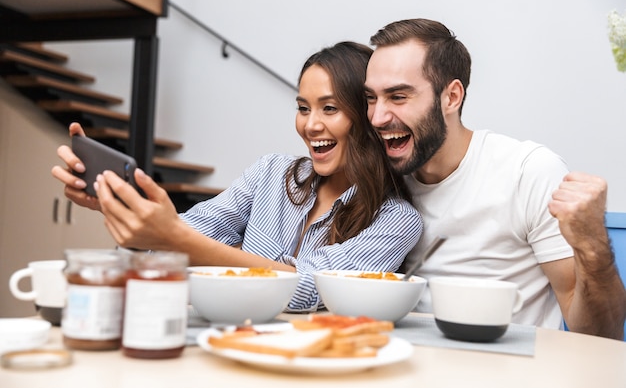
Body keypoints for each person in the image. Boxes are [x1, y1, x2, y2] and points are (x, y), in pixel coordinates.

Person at [51, 41, 423, 312]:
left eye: (329, 108)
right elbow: (188, 233)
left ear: (367, 115)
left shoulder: (396, 220)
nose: (310, 125)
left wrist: (176, 237)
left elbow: (310, 290)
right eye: (302, 108)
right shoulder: (271, 173)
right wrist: (124, 207)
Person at [364, 18, 626, 339]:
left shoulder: (527, 171)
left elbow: (602, 332)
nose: (377, 117)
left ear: (452, 97)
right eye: (371, 98)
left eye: (398, 97)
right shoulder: (381, 180)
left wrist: (593, 245)